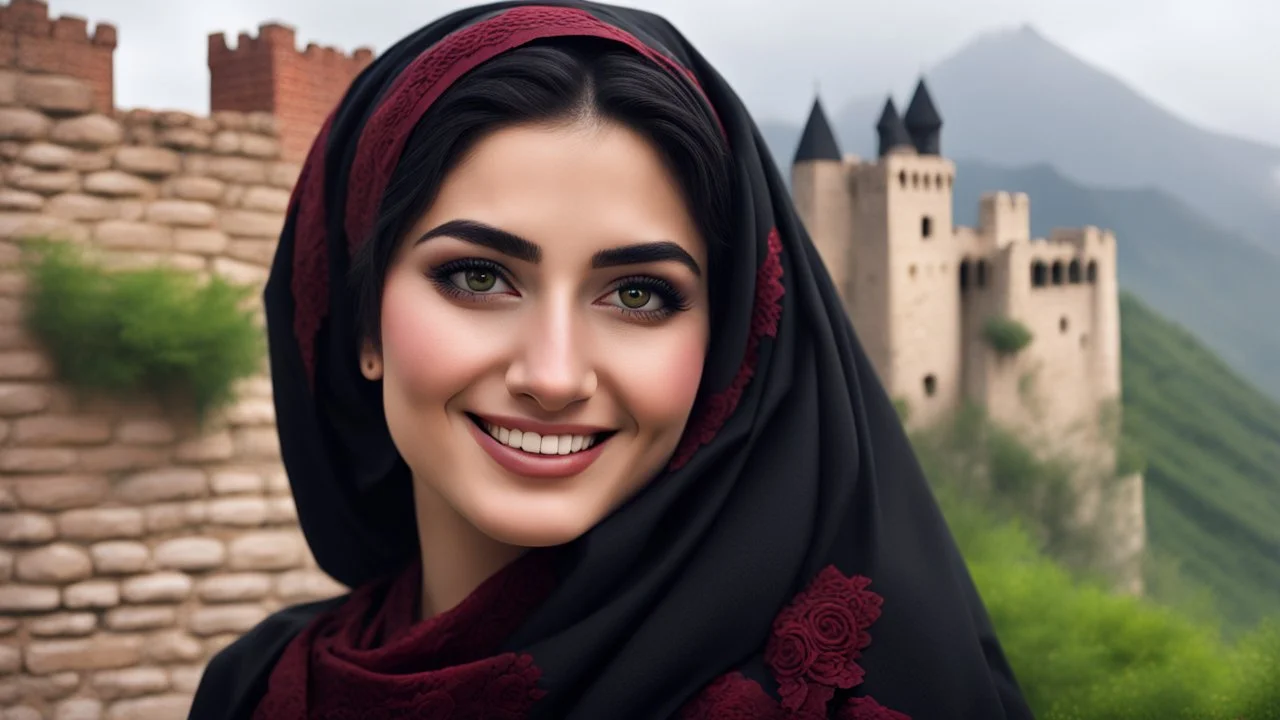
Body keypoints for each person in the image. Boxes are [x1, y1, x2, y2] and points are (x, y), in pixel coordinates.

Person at [189, 2, 1035, 718]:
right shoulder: (254, 690)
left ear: (732, 341)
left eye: (637, 295)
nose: (555, 376)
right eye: (477, 277)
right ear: (363, 325)